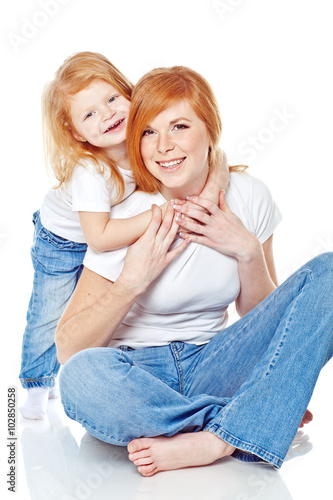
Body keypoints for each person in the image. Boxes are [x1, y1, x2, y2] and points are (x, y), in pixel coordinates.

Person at [56, 66, 333, 477]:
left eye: (180, 126)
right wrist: (132, 281)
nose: (164, 147)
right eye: (148, 132)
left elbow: (269, 323)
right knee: (81, 378)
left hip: (217, 363)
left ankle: (215, 440)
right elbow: (68, 349)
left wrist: (248, 252)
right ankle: (243, 422)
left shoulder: (249, 196)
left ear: (210, 131)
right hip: (136, 375)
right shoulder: (128, 214)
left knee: (329, 272)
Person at [19, 54, 229, 420]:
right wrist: (154, 217)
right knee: (49, 314)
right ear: (74, 132)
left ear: (130, 94)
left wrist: (220, 179)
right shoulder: (91, 171)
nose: (108, 115)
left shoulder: (148, 144)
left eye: (113, 99)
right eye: (89, 115)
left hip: (99, 229)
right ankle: (37, 384)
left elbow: (212, 157)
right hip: (62, 241)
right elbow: (99, 237)